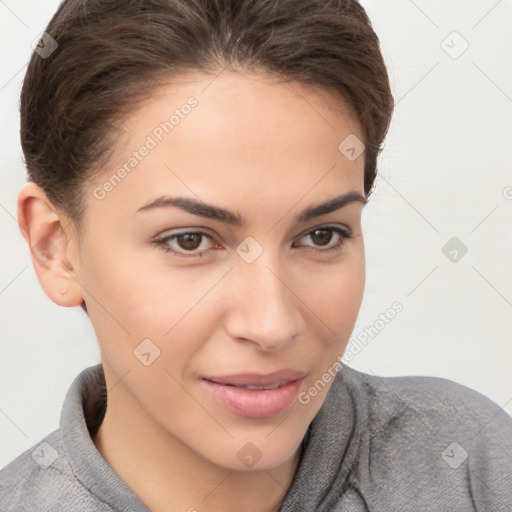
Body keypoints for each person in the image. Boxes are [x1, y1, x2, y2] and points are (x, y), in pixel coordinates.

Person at [1, 0, 510, 511]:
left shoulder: (475, 466)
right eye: (190, 240)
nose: (272, 325)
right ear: (55, 247)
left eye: (321, 235)